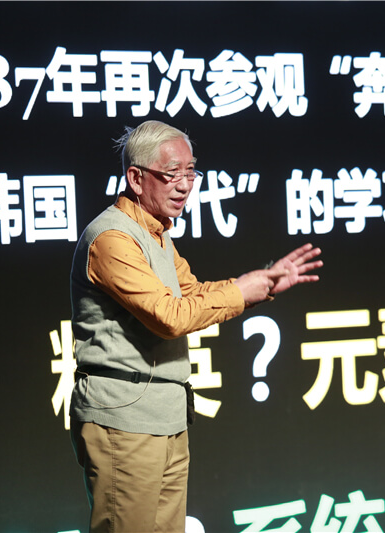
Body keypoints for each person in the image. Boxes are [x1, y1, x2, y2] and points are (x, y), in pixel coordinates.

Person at [69, 120, 322, 532]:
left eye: (191, 172)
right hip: (124, 419)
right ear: (136, 178)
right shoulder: (112, 238)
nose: (185, 185)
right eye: (172, 174)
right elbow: (171, 316)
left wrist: (259, 284)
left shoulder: (158, 235)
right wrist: (240, 290)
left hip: (165, 414)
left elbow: (192, 293)